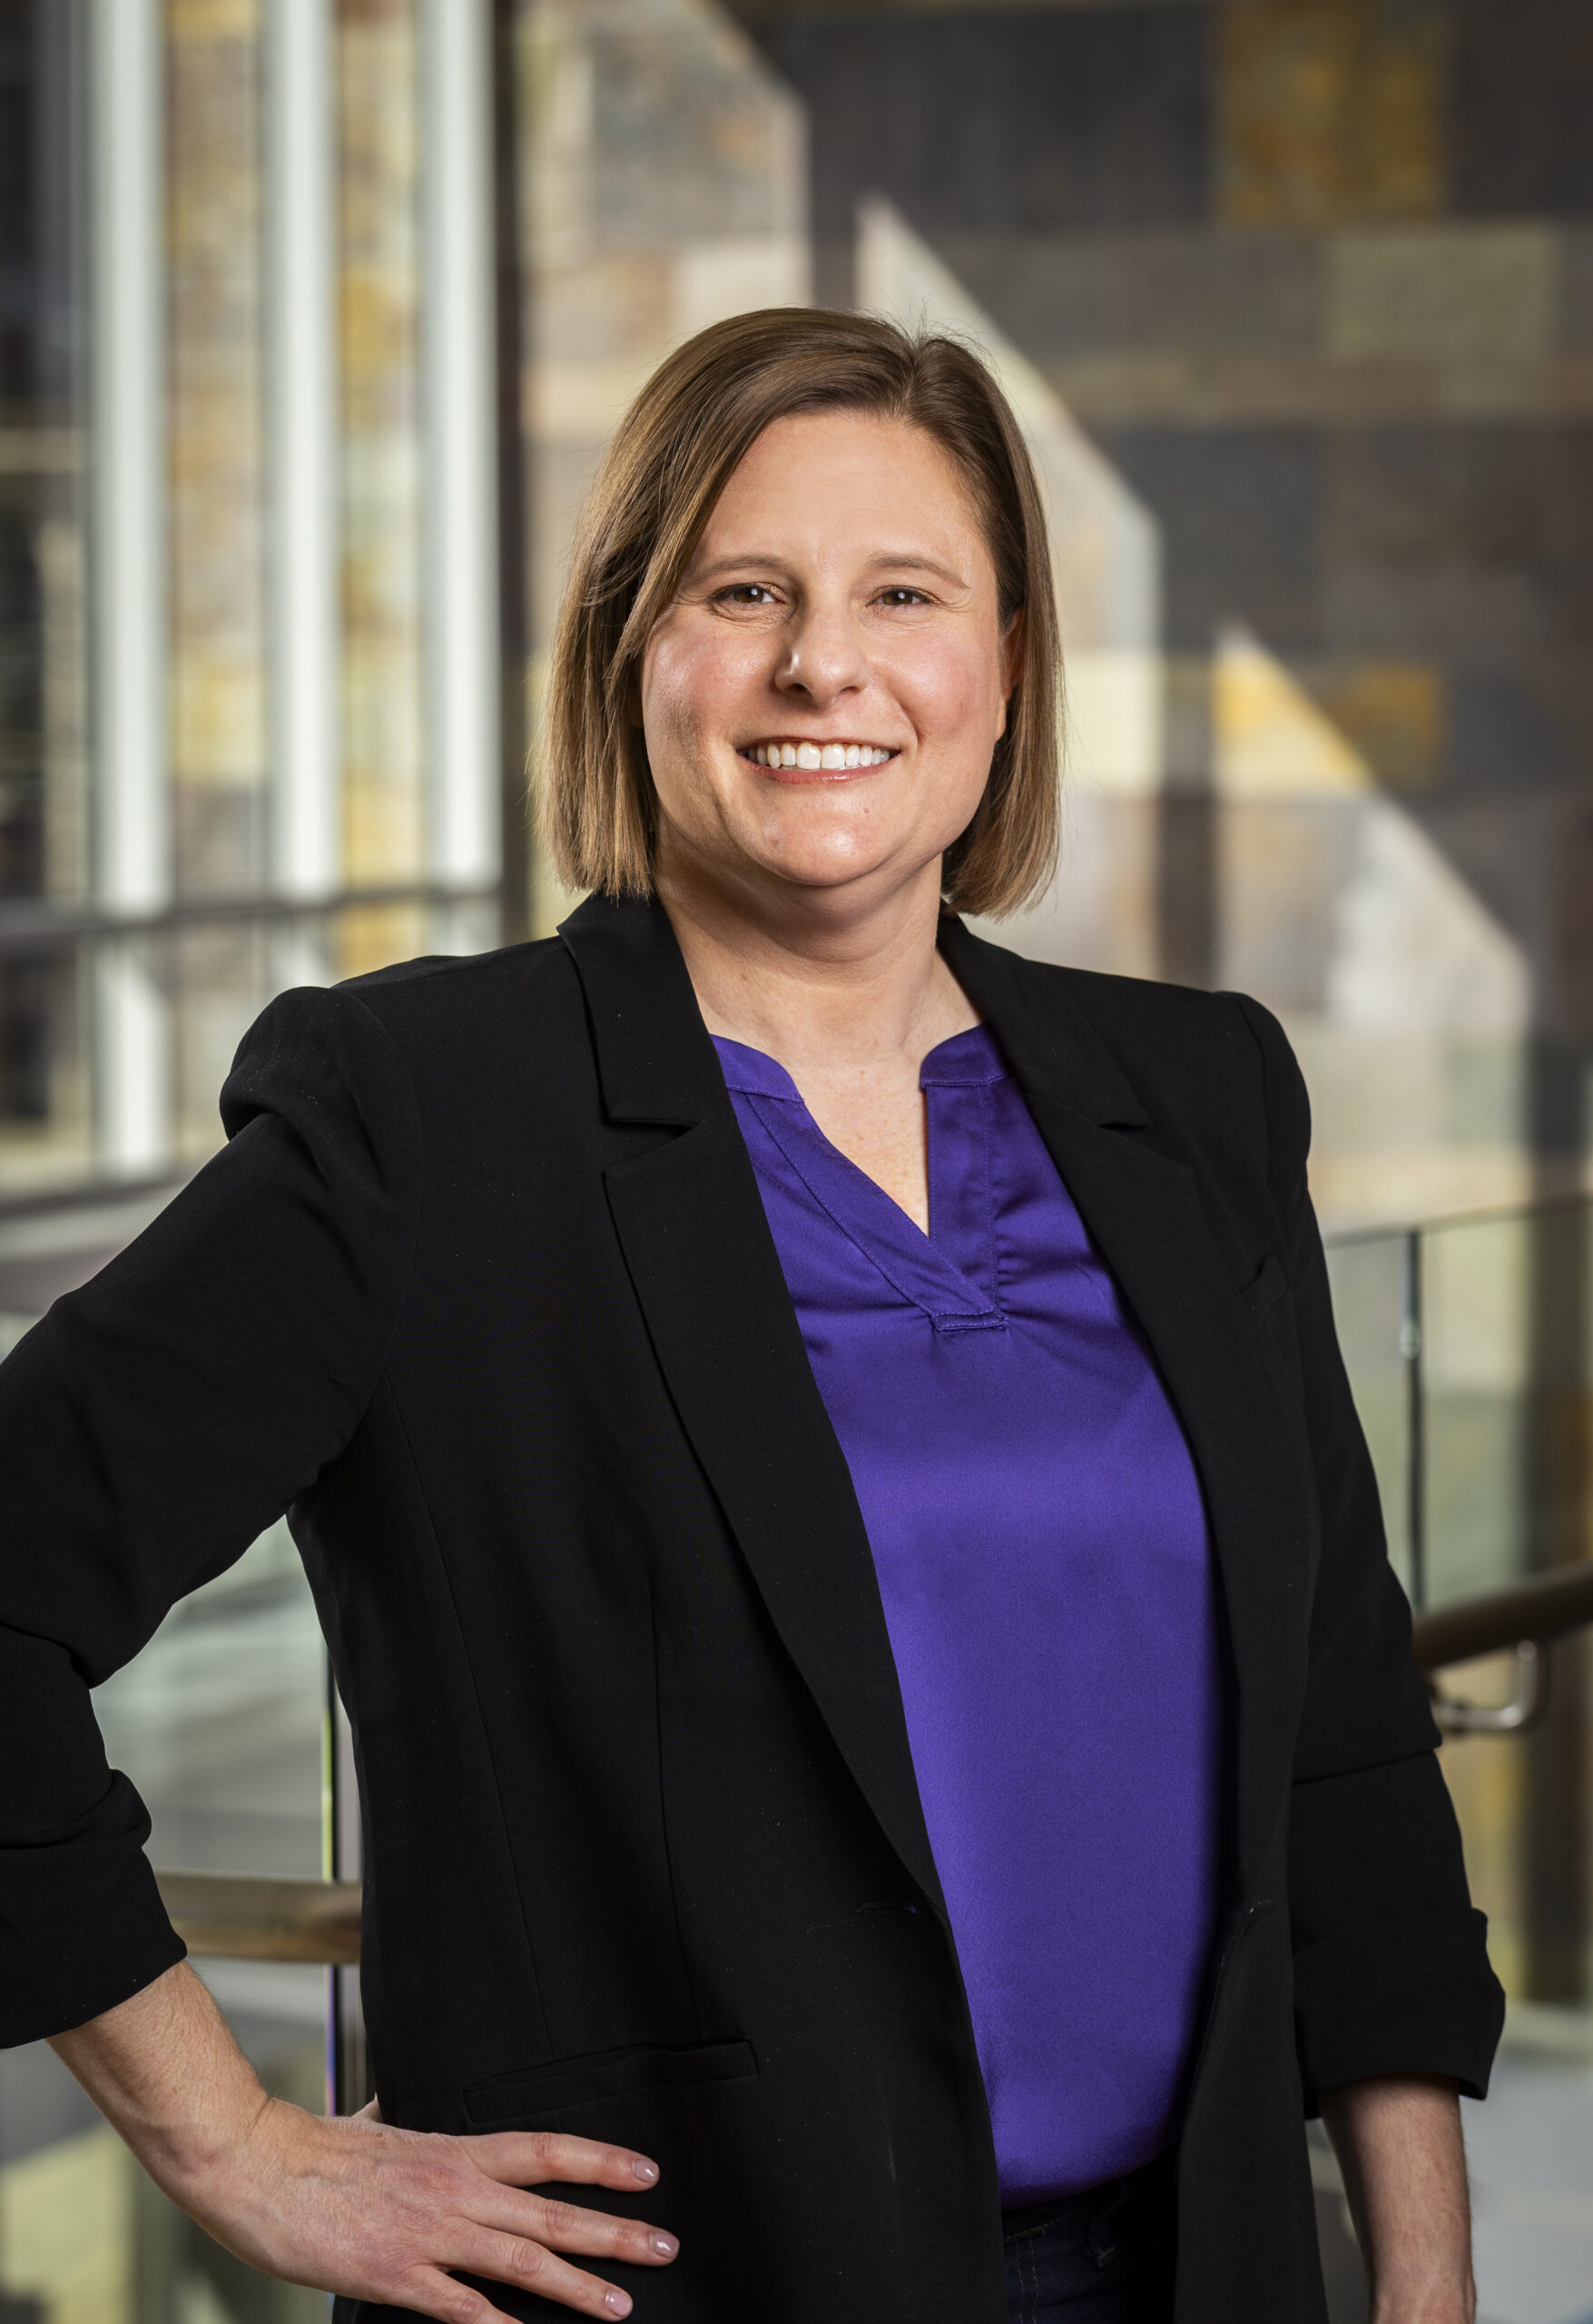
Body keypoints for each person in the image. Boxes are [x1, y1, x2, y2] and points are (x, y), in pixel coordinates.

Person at [0, 309, 1501, 2324]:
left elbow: (1335, 1727)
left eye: (904, 592)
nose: (823, 663)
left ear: (1003, 670)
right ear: (636, 650)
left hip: (1201, 2266)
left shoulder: (1198, 1100)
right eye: (743, 590)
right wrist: (233, 2145)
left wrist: (1417, 2271)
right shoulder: (431, 1120)